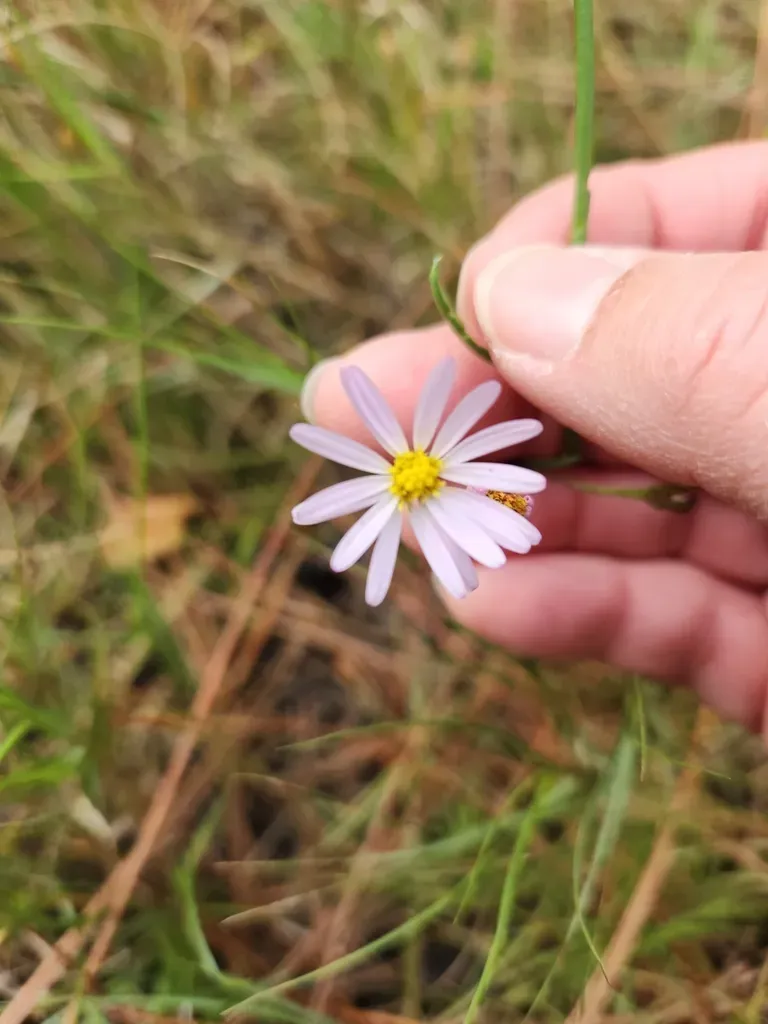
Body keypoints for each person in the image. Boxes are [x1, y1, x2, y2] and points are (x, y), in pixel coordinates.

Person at [300, 141, 768, 737]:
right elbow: (508, 506)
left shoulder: (444, 464)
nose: (415, 475)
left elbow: (515, 488)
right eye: (411, 476)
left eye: (415, 470)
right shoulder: (429, 487)